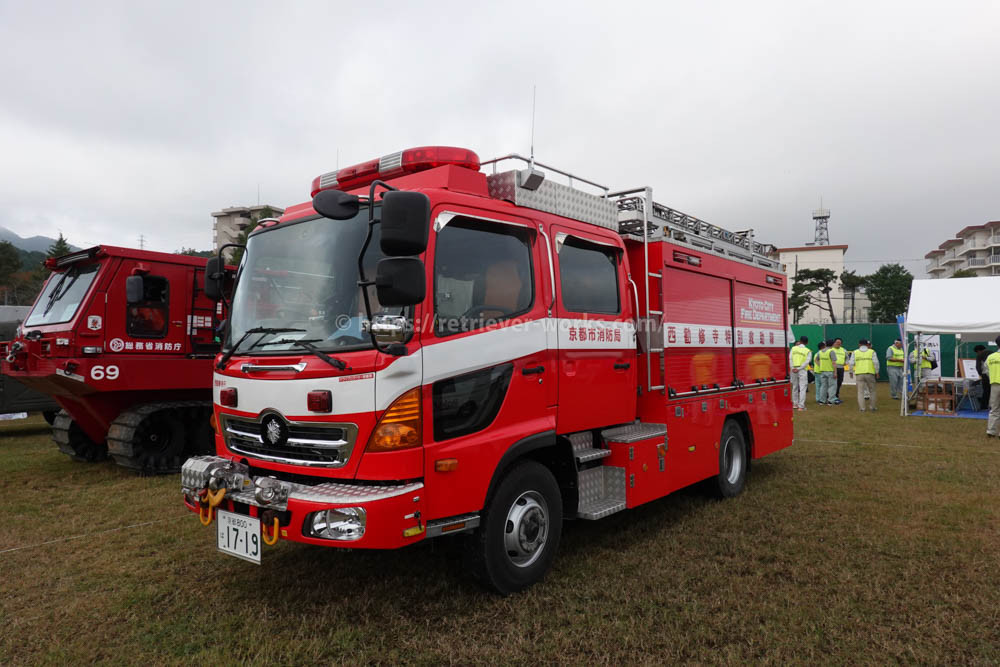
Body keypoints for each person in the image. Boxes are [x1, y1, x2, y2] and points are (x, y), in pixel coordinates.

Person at [853, 338, 879, 412]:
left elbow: (851, 363)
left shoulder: (855, 352)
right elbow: (876, 362)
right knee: (872, 391)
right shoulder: (872, 352)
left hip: (859, 374)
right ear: (867, 344)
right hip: (870, 373)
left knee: (860, 392)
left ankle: (862, 408)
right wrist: (877, 372)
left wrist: (851, 371)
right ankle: (872, 407)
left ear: (859, 344)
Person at [789, 336, 811, 411]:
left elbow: (790, 358)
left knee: (794, 387)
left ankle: (795, 404)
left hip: (793, 369)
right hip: (802, 370)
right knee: (802, 387)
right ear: (807, 342)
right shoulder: (808, 351)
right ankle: (801, 406)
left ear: (800, 341)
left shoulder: (794, 348)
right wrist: (799, 368)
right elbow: (807, 362)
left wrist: (792, 367)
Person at [986, 338, 1000, 437]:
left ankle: (991, 431)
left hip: (994, 384)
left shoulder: (990, 357)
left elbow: (986, 370)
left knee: (994, 409)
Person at [815, 340, 836, 405]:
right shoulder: (831, 351)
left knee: (823, 386)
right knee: (832, 386)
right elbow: (834, 363)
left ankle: (822, 400)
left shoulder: (820, 351)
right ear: (832, 344)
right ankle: (830, 400)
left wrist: (820, 365)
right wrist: (835, 372)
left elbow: (816, 360)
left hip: (822, 371)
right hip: (830, 371)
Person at [975, 344, 991, 410]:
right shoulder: (993, 353)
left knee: (986, 391)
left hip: (985, 375)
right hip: (995, 375)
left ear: (978, 351)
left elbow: (978, 367)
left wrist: (981, 374)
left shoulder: (980, 355)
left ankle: (984, 406)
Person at [831, 338, 846, 404]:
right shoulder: (831, 350)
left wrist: (846, 362)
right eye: (837, 342)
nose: (838, 344)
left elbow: (847, 358)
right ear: (834, 343)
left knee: (839, 382)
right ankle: (832, 396)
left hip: (841, 368)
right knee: (833, 383)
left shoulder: (844, 350)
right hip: (833, 368)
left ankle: (836, 395)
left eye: (839, 343)